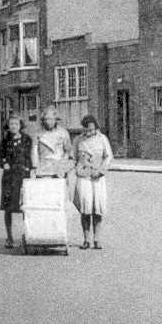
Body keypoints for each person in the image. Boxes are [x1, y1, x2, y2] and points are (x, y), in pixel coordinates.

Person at [74, 115, 114, 250]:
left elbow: (108, 157)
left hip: (98, 177)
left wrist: (101, 171)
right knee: (85, 209)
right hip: (84, 177)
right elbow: (73, 158)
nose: (89, 132)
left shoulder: (102, 139)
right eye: (86, 130)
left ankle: (97, 239)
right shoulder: (78, 140)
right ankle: (86, 239)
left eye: (91, 130)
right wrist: (77, 168)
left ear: (96, 128)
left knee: (98, 208)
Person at [0, 114, 33, 248]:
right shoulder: (5, 141)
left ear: (20, 125)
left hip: (23, 177)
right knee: (8, 209)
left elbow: (29, 157)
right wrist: (3, 164)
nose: (14, 126)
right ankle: (9, 237)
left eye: (16, 124)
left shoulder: (27, 139)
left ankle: (27, 236)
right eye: (11, 124)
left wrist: (30, 169)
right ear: (8, 126)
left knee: (25, 207)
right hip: (9, 178)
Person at [30, 106, 73, 178]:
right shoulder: (38, 133)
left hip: (59, 166)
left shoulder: (63, 132)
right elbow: (34, 151)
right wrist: (35, 166)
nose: (47, 122)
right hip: (43, 165)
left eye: (50, 119)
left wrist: (62, 163)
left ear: (55, 119)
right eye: (45, 119)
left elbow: (68, 151)